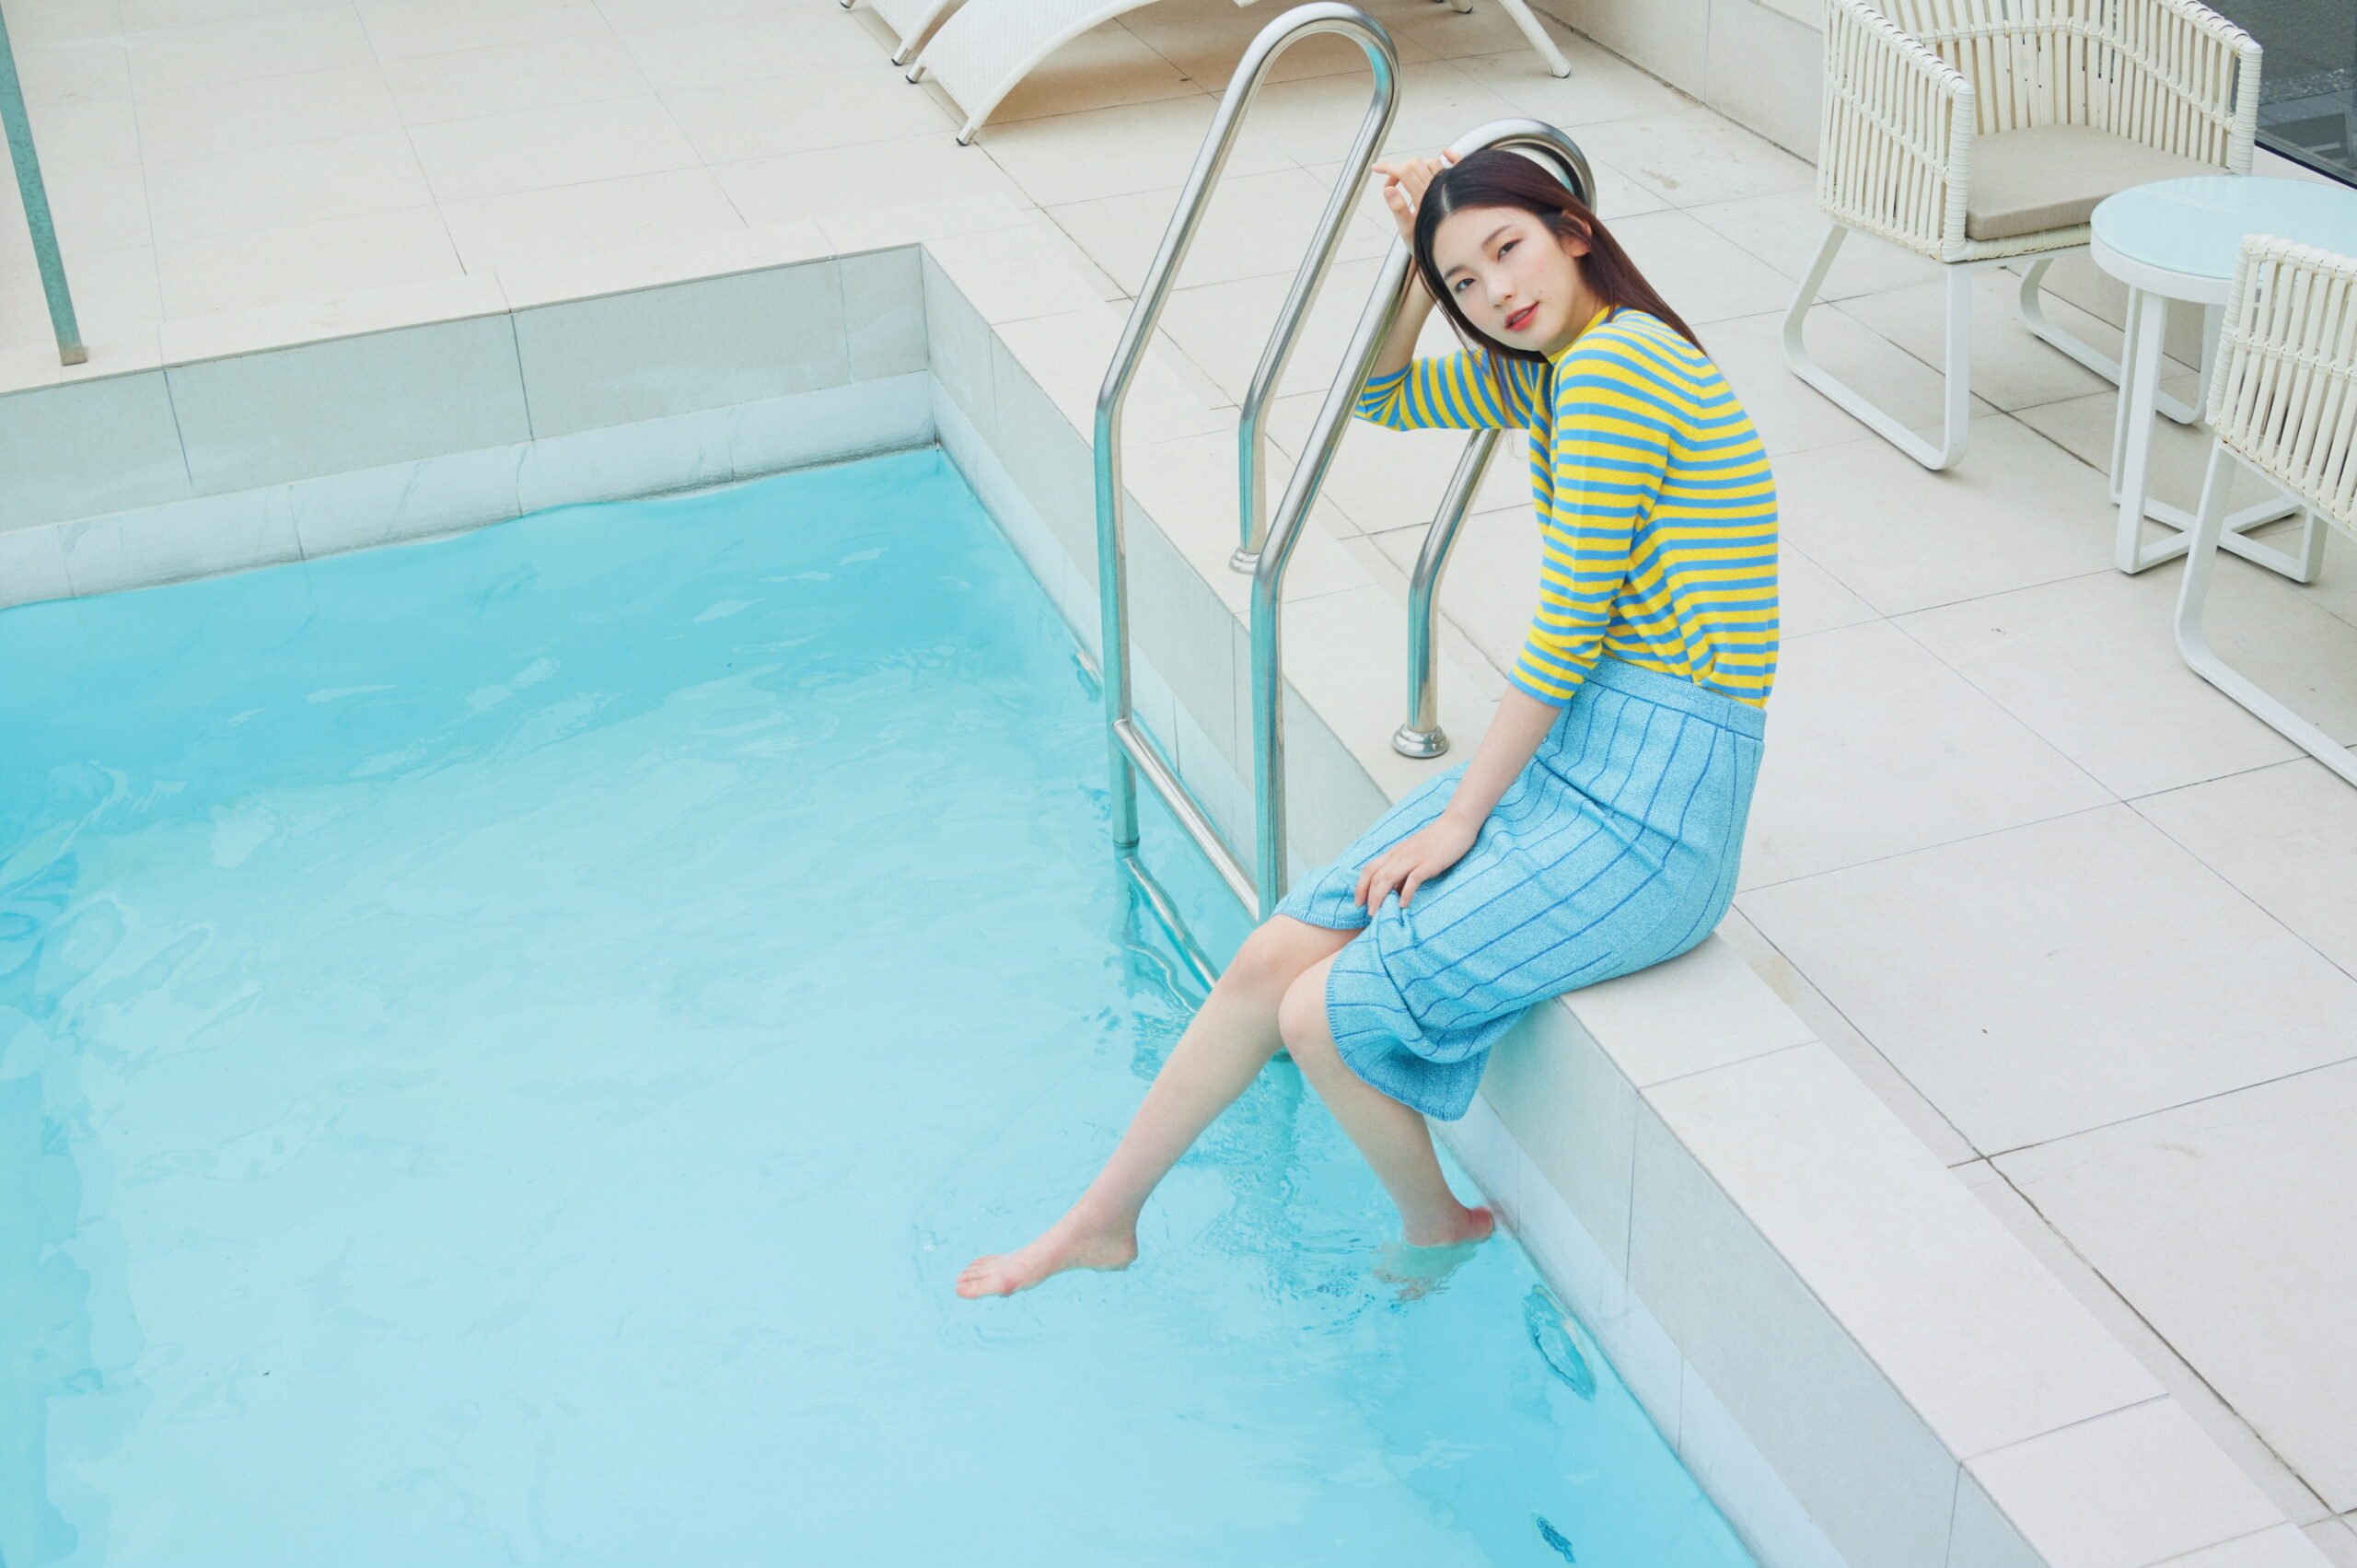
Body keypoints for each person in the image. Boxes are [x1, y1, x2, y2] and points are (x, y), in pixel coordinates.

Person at [956, 146, 1778, 1301]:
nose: (1495, 293)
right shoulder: (1553, 371)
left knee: (1323, 1013)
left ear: (1573, 231)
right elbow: (1382, 395)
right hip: (1583, 754)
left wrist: (1461, 819)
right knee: (1272, 959)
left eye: (1509, 249)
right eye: (1464, 282)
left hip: (1654, 811)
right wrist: (1412, 263)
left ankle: (1439, 1224)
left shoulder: (1616, 373)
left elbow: (1566, 629)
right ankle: (1101, 1218)